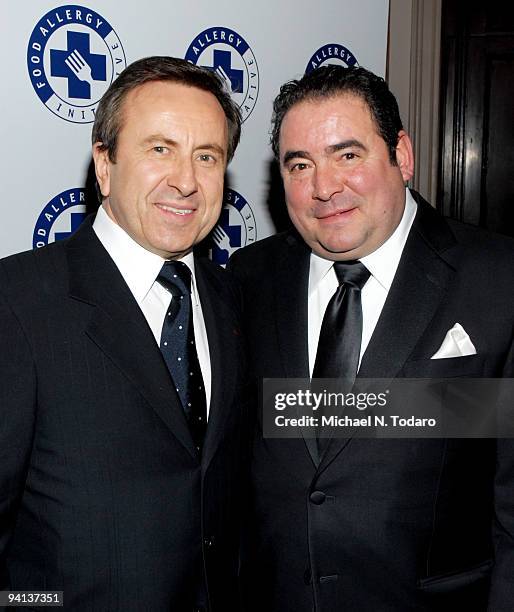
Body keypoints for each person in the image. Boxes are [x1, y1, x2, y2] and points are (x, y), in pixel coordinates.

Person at [228, 65, 514, 611]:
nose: (324, 186)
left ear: (401, 155)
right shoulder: (248, 279)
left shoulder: (497, 281)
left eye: (348, 155)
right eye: (300, 164)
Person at [0, 56, 246, 611]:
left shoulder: (235, 298)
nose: (185, 180)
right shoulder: (17, 303)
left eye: (206, 156)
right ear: (104, 165)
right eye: (159, 148)